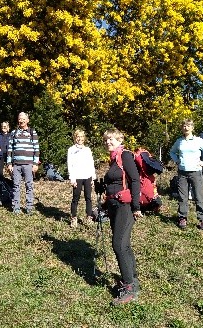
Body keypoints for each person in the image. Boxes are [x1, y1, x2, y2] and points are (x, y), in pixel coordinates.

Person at [102, 128, 142, 305]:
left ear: (119, 139)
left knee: (118, 244)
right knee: (123, 245)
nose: (108, 142)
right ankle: (132, 279)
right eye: (106, 140)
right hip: (114, 206)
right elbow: (116, 181)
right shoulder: (113, 159)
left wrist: (136, 206)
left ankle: (129, 288)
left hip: (124, 206)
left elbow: (134, 180)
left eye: (111, 139)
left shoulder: (125, 155)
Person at [169, 119, 203, 231]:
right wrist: (177, 160)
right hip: (182, 173)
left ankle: (202, 219)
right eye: (184, 125)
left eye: (188, 125)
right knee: (182, 197)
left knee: (198, 196)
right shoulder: (179, 141)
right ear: (181, 128)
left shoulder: (198, 140)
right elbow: (172, 152)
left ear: (192, 127)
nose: (186, 127)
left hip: (195, 172)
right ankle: (182, 217)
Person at [6, 112, 40, 215]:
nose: (21, 120)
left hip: (29, 164)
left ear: (27, 120)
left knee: (29, 185)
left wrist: (35, 163)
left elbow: (36, 148)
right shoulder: (13, 132)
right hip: (16, 164)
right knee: (16, 185)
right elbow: (10, 149)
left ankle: (29, 207)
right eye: (20, 119)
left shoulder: (32, 132)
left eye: (24, 119)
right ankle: (16, 207)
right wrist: (9, 163)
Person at [67, 129, 96, 228]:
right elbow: (70, 165)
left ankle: (88, 217)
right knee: (76, 198)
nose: (80, 138)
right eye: (78, 136)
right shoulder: (71, 150)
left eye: (82, 136)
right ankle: (74, 218)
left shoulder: (87, 150)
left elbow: (91, 164)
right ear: (75, 137)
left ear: (84, 138)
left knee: (88, 198)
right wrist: (72, 179)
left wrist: (93, 178)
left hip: (87, 176)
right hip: (77, 177)